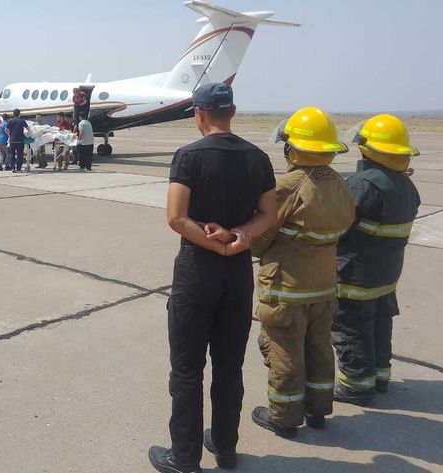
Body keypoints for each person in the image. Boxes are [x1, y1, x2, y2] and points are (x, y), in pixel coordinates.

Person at [148, 82, 276, 473]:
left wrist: (214, 241)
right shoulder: (258, 158)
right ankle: (225, 448)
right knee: (228, 365)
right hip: (237, 274)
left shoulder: (189, 156)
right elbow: (268, 215)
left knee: (187, 368)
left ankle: (184, 458)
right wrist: (239, 239)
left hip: (197, 271)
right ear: (232, 112)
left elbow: (176, 217)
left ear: (198, 114)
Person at [249, 107, 355, 439]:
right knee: (319, 347)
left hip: (287, 288)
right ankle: (319, 409)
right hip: (324, 286)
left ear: (292, 147)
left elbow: (261, 233)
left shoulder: (288, 185)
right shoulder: (339, 182)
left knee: (285, 350)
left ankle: (283, 416)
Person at [332, 114, 421, 405]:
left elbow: (338, 225)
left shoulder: (363, 184)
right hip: (387, 275)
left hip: (357, 275)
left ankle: (356, 385)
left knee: (352, 328)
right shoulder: (407, 186)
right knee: (380, 324)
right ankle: (380, 375)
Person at [5, 109, 30, 173]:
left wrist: (9, 135)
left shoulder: (10, 121)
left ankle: (13, 168)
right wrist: (29, 133)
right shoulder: (22, 121)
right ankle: (18, 168)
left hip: (12, 140)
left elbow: (6, 129)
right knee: (20, 155)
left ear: (13, 114)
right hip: (20, 140)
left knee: (12, 154)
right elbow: (28, 128)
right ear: (19, 113)